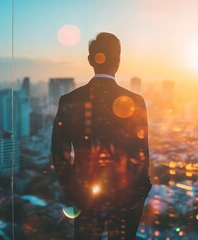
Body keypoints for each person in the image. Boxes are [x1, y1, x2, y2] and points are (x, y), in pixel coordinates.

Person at [52, 32, 151, 240]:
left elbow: (59, 151)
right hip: (126, 195)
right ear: (118, 62)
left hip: (85, 192)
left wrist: (70, 189)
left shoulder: (69, 100)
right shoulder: (135, 101)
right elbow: (141, 153)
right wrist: (140, 191)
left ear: (90, 60)